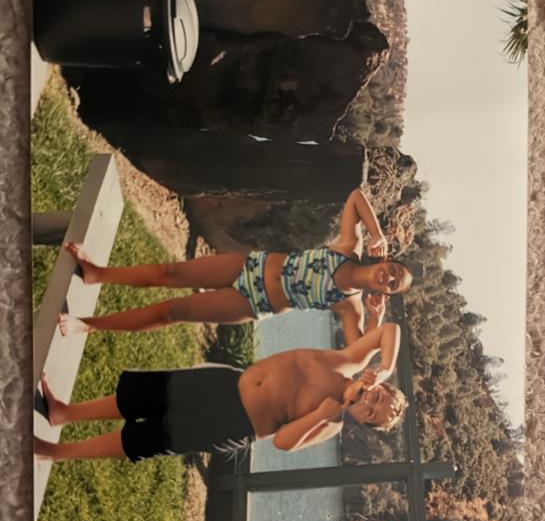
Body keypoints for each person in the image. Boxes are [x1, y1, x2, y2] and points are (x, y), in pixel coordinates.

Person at [58, 183, 412, 346]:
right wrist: (377, 231)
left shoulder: (350, 307)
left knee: (172, 312)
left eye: (392, 284)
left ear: (385, 292)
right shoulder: (350, 247)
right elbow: (354, 196)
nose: (388, 276)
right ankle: (97, 274)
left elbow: (356, 353)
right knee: (172, 273)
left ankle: (87, 326)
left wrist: (376, 319)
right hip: (251, 266)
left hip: (254, 302)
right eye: (394, 270)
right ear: (387, 260)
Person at [34, 319, 407, 464]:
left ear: (362, 422)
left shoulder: (332, 423)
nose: (369, 403)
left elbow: (283, 443)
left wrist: (323, 414)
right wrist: (385, 366)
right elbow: (389, 329)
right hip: (226, 384)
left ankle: (57, 452)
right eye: (379, 396)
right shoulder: (345, 361)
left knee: (150, 437)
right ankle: (64, 413)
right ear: (380, 384)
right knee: (146, 396)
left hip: (234, 424)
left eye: (371, 414)